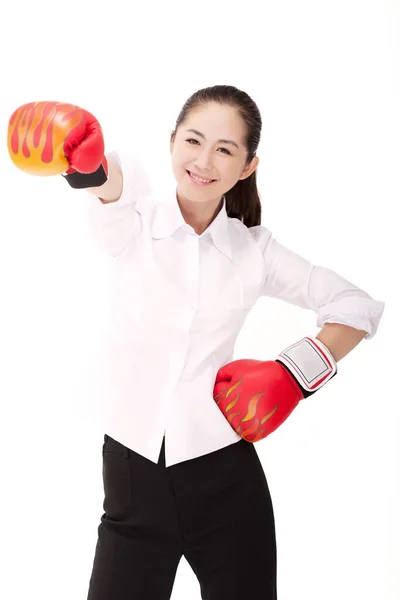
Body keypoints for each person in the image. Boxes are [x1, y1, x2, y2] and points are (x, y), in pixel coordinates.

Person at [7, 86, 385, 600]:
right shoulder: (134, 221)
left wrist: (294, 374)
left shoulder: (256, 251)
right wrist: (86, 168)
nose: (204, 161)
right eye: (194, 140)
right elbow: (111, 189)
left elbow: (356, 305)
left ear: (248, 166)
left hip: (227, 478)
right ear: (172, 142)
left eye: (226, 149)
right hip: (133, 477)